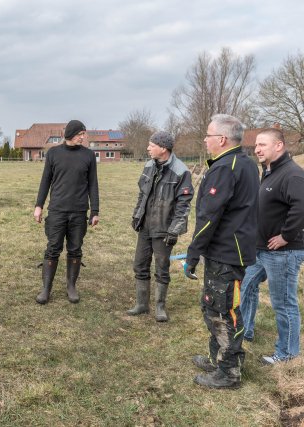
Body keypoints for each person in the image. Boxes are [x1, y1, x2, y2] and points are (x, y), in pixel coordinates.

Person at [184, 114, 259, 389]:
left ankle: (229, 372)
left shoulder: (226, 167)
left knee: (222, 311)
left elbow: (208, 217)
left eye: (208, 135)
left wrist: (193, 255)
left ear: (222, 139)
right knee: (214, 305)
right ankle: (218, 357)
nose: (205, 139)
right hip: (232, 250)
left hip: (226, 253)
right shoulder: (245, 163)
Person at [239, 128, 304, 364]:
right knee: (247, 285)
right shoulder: (268, 172)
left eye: (262, 145)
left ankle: (287, 354)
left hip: (283, 252)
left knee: (283, 302)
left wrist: (286, 236)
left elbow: (301, 208)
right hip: (261, 249)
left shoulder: (292, 174)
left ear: (279, 146)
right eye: (256, 145)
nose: (257, 149)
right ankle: (244, 330)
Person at [127, 131, 193, 322]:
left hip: (165, 228)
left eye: (151, 145)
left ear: (163, 148)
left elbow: (184, 205)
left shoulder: (181, 171)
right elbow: (142, 194)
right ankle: (141, 304)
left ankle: (160, 307)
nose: (148, 148)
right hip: (145, 226)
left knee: (162, 267)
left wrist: (175, 230)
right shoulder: (148, 166)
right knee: (139, 264)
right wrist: (136, 215)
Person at [33, 119, 100, 304]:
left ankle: (71, 286)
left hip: (79, 211)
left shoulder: (88, 156)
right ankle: (46, 289)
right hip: (57, 211)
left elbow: (93, 184)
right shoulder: (54, 154)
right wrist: (39, 206)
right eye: (80, 134)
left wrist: (95, 210)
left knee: (75, 249)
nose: (83, 137)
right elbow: (45, 181)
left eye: (83, 134)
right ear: (71, 134)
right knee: (53, 248)